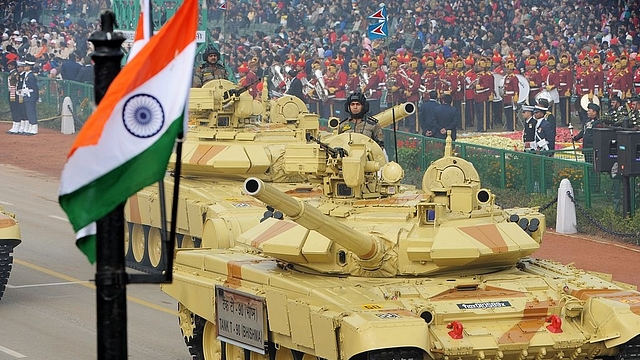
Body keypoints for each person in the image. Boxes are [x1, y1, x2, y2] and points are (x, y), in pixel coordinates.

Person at [20, 60, 39, 135]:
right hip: (26, 95)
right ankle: (31, 127)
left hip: (30, 95)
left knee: (31, 111)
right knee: (28, 111)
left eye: (26, 66)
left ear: (29, 67)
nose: (25, 67)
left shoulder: (31, 76)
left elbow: (34, 87)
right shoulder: (27, 75)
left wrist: (36, 97)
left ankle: (34, 127)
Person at [5, 60, 24, 134]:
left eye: (10, 66)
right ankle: (15, 124)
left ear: (13, 66)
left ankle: (17, 125)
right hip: (12, 92)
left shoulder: (15, 73)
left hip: (15, 93)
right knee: (13, 109)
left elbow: (16, 84)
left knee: (16, 109)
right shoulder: (12, 73)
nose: (8, 67)